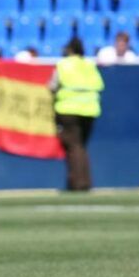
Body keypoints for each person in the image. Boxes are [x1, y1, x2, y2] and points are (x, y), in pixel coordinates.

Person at [50, 38, 104, 191]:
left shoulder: (64, 65)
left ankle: (78, 183)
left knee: (73, 146)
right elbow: (99, 84)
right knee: (81, 146)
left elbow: (53, 85)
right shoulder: (89, 64)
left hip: (68, 110)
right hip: (89, 110)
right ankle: (85, 181)